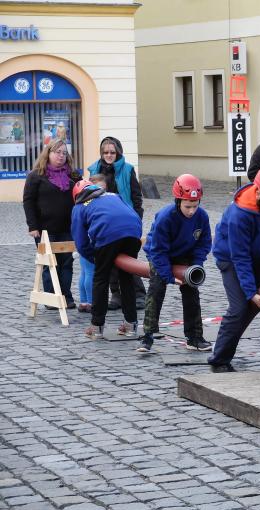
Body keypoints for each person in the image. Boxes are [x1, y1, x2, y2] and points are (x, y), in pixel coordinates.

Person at [206, 165, 260, 373]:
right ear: (259, 193)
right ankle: (219, 360)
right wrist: (251, 291)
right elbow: (240, 256)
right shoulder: (239, 214)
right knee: (240, 308)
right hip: (231, 259)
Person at [137, 174, 213, 353]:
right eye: (188, 206)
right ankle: (147, 336)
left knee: (191, 293)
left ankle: (194, 337)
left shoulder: (202, 217)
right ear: (178, 201)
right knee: (156, 289)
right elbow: (158, 250)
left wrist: (196, 265)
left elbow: (203, 244)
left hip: (185, 256)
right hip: (160, 254)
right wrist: (168, 276)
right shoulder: (166, 217)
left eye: (195, 205)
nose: (192, 211)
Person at [71, 180, 143, 340]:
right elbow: (131, 214)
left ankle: (96, 327)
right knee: (127, 278)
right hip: (133, 232)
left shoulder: (79, 206)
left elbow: (81, 242)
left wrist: (95, 258)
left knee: (100, 279)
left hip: (107, 235)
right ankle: (131, 325)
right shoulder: (114, 196)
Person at [88, 136, 146, 310]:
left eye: (112, 152)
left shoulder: (127, 170)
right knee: (110, 261)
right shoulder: (94, 169)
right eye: (105, 152)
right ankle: (117, 295)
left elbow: (136, 197)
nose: (109, 155)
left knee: (127, 260)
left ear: (118, 152)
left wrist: (137, 219)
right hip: (104, 223)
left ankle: (139, 294)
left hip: (125, 222)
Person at [23, 139, 80, 309]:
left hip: (68, 227)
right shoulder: (36, 175)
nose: (61, 156)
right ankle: (51, 297)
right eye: (57, 152)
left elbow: (83, 195)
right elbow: (28, 201)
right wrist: (32, 226)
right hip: (44, 229)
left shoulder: (73, 175)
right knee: (49, 264)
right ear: (48, 153)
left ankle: (65, 296)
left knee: (66, 263)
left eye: (64, 153)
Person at [76, 174, 108, 313]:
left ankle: (83, 301)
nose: (101, 192)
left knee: (84, 272)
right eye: (99, 189)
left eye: (103, 189)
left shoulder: (84, 203)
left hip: (85, 242)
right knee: (90, 273)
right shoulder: (90, 205)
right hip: (91, 242)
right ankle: (91, 301)